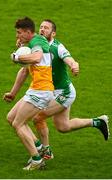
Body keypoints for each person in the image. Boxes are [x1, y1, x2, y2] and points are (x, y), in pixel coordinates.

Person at [32, 19, 109, 159]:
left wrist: (74, 65)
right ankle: (98, 121)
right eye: (41, 27)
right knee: (63, 126)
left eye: (46, 28)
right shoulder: (37, 44)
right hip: (50, 91)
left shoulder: (57, 47)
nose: (42, 30)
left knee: (38, 117)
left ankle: (46, 151)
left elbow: (69, 59)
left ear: (53, 33)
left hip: (64, 93)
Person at [4, 17, 54, 170]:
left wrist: (17, 57)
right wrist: (13, 93)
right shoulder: (32, 42)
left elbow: (37, 57)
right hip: (36, 89)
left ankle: (37, 160)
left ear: (27, 32)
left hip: (41, 91)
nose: (17, 36)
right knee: (11, 118)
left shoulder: (37, 43)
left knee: (18, 124)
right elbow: (24, 71)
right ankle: (39, 147)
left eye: (19, 33)